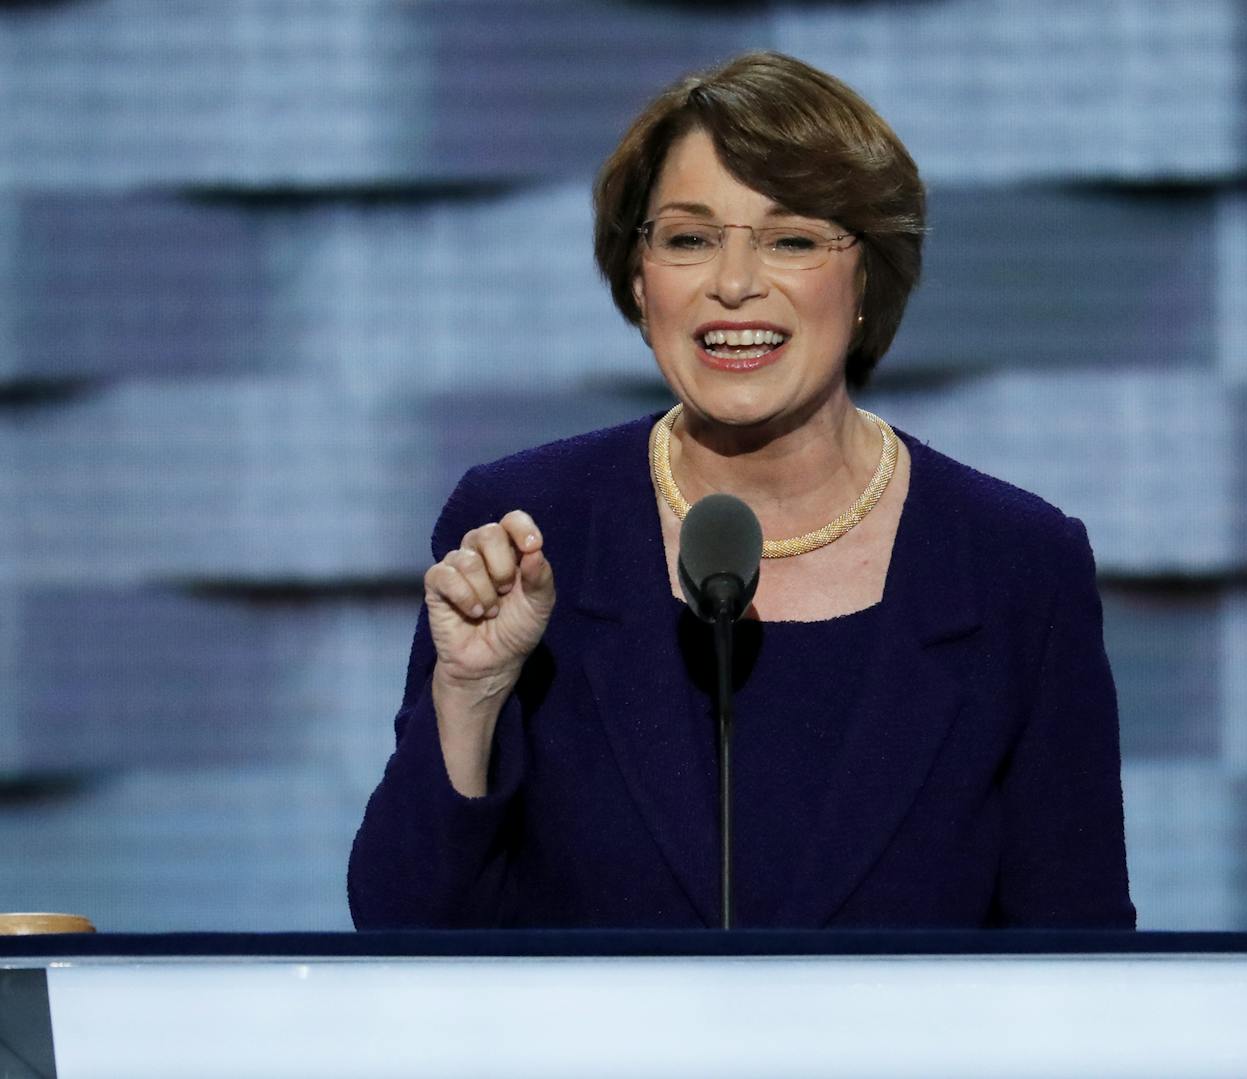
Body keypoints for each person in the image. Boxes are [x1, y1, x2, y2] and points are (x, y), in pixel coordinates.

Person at [348, 52, 1135, 930]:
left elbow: (1082, 964)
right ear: (642, 283)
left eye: (792, 238)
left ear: (866, 278)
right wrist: (471, 695)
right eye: (689, 239)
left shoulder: (1017, 566)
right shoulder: (529, 529)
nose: (733, 283)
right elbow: (398, 930)